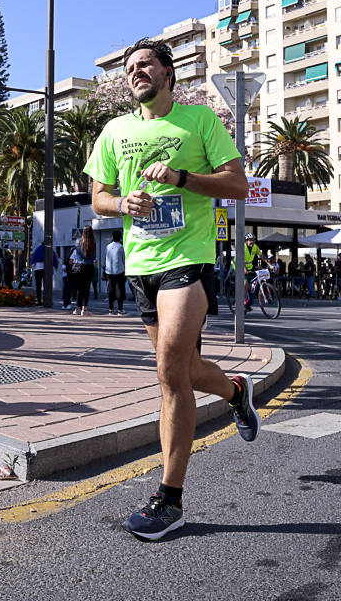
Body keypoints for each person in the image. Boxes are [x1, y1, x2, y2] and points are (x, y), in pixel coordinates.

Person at [84, 37, 256, 541]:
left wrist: (182, 176)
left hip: (190, 257)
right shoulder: (114, 130)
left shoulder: (199, 121)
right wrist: (123, 205)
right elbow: (98, 197)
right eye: (130, 68)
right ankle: (236, 391)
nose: (136, 73)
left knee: (167, 371)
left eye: (146, 65)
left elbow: (238, 185)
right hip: (142, 265)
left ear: (168, 72)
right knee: (182, 368)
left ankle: (170, 499)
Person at [69, 226, 97, 316]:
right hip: (89, 267)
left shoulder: (78, 242)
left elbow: (78, 255)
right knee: (87, 288)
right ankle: (85, 309)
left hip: (79, 267)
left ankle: (78, 308)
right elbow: (93, 257)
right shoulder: (93, 243)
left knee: (79, 289)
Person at [104, 230, 127, 315]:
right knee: (119, 290)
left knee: (111, 290)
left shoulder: (108, 246)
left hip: (109, 271)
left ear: (112, 237)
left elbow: (105, 258)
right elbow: (124, 259)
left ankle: (111, 310)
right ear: (120, 237)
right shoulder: (121, 247)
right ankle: (120, 310)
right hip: (119, 271)